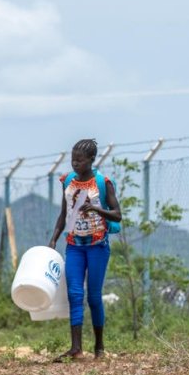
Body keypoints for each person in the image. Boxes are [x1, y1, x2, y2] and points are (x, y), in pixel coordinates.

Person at [48, 138, 122, 361]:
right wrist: (53, 239)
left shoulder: (103, 182)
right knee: (74, 294)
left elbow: (117, 214)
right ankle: (76, 348)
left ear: (91, 160)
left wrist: (97, 209)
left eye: (80, 160)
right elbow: (64, 213)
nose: (75, 164)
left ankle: (99, 347)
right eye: (73, 159)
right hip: (74, 246)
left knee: (94, 297)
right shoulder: (67, 181)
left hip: (97, 246)